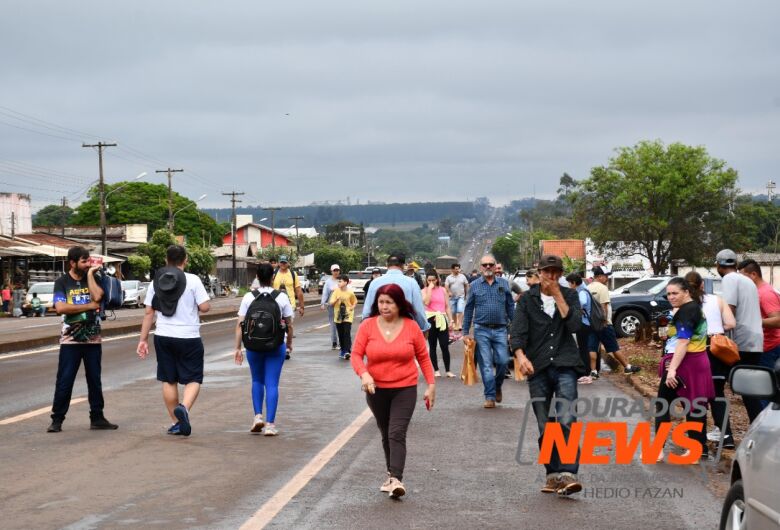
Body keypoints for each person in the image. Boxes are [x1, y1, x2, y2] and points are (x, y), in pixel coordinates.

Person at [351, 284, 436, 499]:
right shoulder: (368, 326)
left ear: (399, 304)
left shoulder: (411, 327)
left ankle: (397, 478)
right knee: (386, 432)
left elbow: (423, 357)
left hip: (404, 388)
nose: (384, 306)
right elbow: (355, 355)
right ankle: (391, 475)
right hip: (376, 389)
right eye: (381, 302)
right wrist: (365, 374)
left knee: (396, 432)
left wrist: (431, 385)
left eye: (389, 302)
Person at [510, 254, 584, 495]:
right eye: (547, 271)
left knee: (566, 419)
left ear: (561, 274)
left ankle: (568, 473)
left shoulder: (571, 295)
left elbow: (574, 326)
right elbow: (518, 333)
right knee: (545, 425)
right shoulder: (526, 300)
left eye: (556, 272)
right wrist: (521, 357)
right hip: (538, 367)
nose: (551, 276)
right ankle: (552, 475)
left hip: (565, 364)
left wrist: (558, 294)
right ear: (539, 272)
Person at [137, 245, 211, 436]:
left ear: (165, 259)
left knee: (168, 379)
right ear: (185, 259)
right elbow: (204, 307)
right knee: (194, 378)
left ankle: (176, 422)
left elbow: (148, 313)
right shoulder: (193, 280)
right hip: (188, 337)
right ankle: (184, 408)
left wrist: (143, 340)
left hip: (163, 335)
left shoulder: (156, 282)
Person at [47, 246, 117, 433]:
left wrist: (90, 275)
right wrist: (88, 306)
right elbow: (61, 307)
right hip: (70, 340)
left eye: (89, 261)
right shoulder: (62, 282)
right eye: (84, 261)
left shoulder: (93, 278)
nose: (88, 264)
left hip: (93, 339)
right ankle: (57, 419)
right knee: (65, 380)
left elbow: (98, 297)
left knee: (94, 380)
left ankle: (97, 417)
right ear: (72, 262)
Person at [655, 277, 713, 463]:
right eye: (668, 294)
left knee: (663, 404)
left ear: (686, 292)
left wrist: (672, 370)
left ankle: (658, 449)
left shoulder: (686, 312)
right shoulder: (693, 307)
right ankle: (696, 451)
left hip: (685, 363)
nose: (671, 297)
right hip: (698, 361)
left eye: (675, 293)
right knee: (695, 406)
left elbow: (683, 341)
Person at [234, 263, 294, 436]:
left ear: (257, 278)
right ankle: (270, 425)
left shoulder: (248, 297)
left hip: (253, 346)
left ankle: (258, 416)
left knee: (257, 380)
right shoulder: (281, 297)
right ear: (273, 277)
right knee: (272, 383)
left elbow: (240, 324)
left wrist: (237, 347)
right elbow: (289, 325)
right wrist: (289, 343)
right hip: (276, 346)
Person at [685, 271, 736, 448]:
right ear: (702, 285)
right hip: (716, 350)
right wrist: (715, 328)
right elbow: (731, 323)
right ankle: (727, 437)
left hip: (695, 351)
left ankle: (699, 444)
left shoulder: (684, 304)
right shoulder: (717, 300)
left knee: (696, 397)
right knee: (717, 395)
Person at [716, 249, 765, 422]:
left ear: (718, 266)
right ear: (735, 264)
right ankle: (758, 425)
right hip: (755, 339)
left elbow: (730, 310)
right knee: (749, 390)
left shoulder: (729, 279)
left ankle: (724, 429)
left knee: (721, 384)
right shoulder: (746, 280)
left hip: (741, 340)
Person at [463, 254, 515, 408]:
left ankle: (497, 385)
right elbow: (468, 309)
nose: (487, 267)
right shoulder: (475, 286)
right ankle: (490, 396)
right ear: (481, 267)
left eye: (490, 264)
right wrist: (465, 332)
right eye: (484, 265)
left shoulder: (504, 284)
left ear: (495, 266)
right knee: (485, 365)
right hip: (481, 330)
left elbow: (510, 307)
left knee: (503, 361)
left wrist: (516, 329)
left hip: (501, 330)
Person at [587, 266, 641, 376]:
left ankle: (593, 371)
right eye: (606, 276)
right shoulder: (602, 288)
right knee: (614, 347)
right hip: (604, 324)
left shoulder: (588, 288)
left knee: (592, 347)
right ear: (600, 276)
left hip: (592, 323)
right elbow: (604, 306)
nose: (607, 278)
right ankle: (627, 367)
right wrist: (605, 321)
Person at [363, 253, 430, 333]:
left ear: (387, 265)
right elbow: (418, 311)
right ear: (403, 266)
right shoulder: (411, 283)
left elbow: (367, 312)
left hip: (379, 330)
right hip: (405, 330)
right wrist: (424, 328)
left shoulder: (375, 282)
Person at [423, 271, 454, 377]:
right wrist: (430, 289)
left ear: (437, 279)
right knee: (433, 345)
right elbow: (426, 302)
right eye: (429, 280)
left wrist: (451, 320)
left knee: (444, 345)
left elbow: (447, 306)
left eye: (433, 280)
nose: (431, 282)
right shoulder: (424, 291)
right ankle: (436, 370)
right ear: (426, 280)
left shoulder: (443, 290)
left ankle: (448, 370)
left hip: (442, 318)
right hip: (430, 319)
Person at [566, 273, 594, 384]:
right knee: (583, 348)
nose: (569, 285)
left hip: (584, 324)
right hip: (585, 324)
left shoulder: (582, 291)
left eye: (569, 283)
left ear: (573, 283)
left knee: (583, 349)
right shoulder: (583, 289)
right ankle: (584, 373)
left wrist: (575, 308)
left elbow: (582, 302)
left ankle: (585, 374)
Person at [330, 273, 358, 360]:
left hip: (348, 315)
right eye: (338, 281)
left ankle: (347, 351)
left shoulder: (350, 292)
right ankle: (343, 350)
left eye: (340, 281)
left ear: (346, 282)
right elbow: (331, 303)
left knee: (346, 332)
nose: (338, 283)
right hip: (338, 316)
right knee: (341, 334)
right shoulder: (336, 292)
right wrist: (336, 300)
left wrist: (352, 308)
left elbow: (355, 301)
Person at [320, 264, 342, 350]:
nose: (336, 272)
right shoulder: (328, 282)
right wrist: (322, 303)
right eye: (334, 270)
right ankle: (334, 342)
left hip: (341, 305)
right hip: (331, 305)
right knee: (333, 324)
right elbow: (325, 293)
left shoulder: (342, 280)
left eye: (337, 270)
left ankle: (341, 342)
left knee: (340, 323)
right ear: (331, 271)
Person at [444, 263, 469, 331]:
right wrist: (449, 292)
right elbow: (446, 286)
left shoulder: (462, 276)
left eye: (458, 269)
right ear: (452, 269)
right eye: (456, 269)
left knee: (460, 309)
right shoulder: (449, 277)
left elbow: (466, 284)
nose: (458, 270)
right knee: (453, 311)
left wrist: (466, 293)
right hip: (452, 298)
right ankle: (455, 324)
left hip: (461, 296)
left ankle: (460, 324)